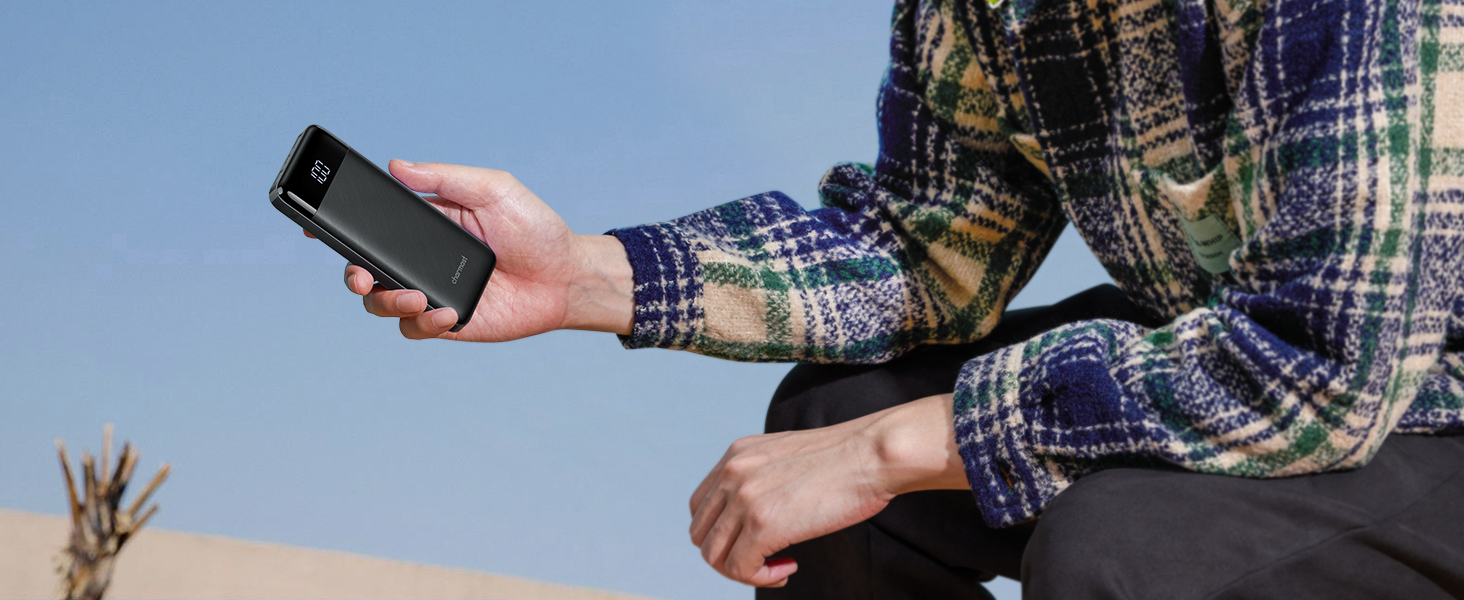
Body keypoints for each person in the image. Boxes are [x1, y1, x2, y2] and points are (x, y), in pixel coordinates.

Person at [309, 0, 1464, 596]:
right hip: (1279, 370)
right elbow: (922, 251)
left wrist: (901, 446)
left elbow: (1319, 359)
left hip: (1419, 391)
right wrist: (582, 275)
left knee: (1120, 550)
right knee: (827, 412)